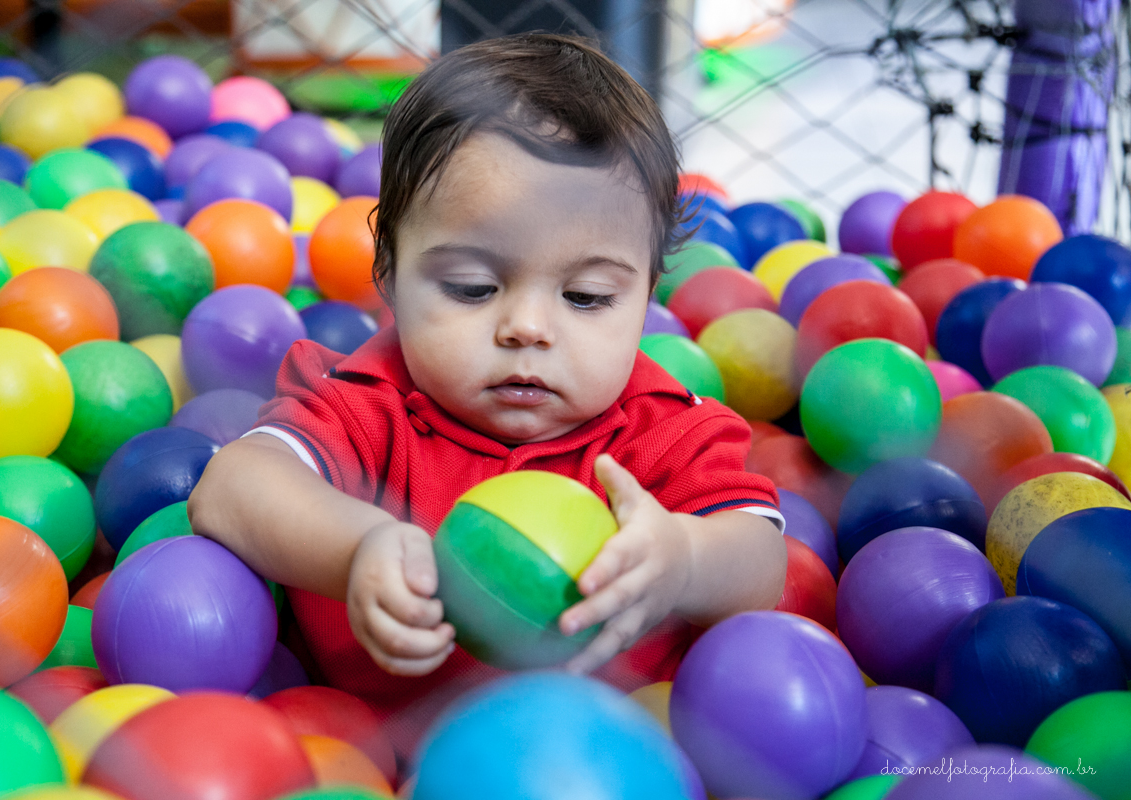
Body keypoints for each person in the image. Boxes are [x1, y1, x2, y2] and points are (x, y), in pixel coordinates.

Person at [189, 32, 787, 758]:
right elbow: (232, 487)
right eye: (472, 287)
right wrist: (357, 547)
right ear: (388, 272)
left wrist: (683, 560)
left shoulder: (665, 433)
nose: (527, 328)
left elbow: (761, 562)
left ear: (647, 295)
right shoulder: (363, 405)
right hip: (362, 756)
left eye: (586, 296)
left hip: (604, 763)